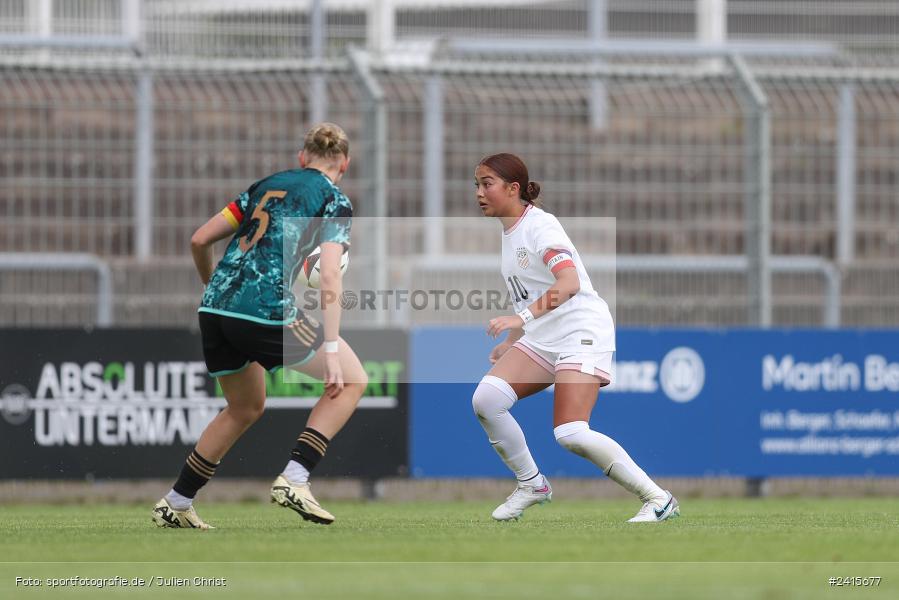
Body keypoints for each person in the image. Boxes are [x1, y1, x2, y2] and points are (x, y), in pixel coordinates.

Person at [151, 122, 368, 529]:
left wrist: (212, 286)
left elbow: (200, 240)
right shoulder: (333, 199)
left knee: (244, 406)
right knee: (353, 380)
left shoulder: (265, 185)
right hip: (264, 307)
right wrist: (333, 348)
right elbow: (330, 277)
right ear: (345, 164)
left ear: (302, 158)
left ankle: (176, 502)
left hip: (216, 308)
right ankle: (296, 478)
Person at [472, 153, 679, 523]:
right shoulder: (510, 230)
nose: (479, 193)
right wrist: (515, 337)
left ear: (513, 188)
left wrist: (517, 319)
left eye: (487, 183)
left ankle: (658, 499)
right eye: (477, 184)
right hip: (543, 336)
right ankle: (531, 484)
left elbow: (569, 283)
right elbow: (531, 290)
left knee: (570, 433)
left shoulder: (541, 226)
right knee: (487, 399)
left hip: (581, 331)